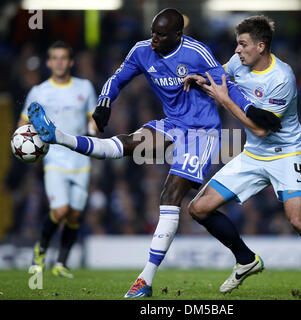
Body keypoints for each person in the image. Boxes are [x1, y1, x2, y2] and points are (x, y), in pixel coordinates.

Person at [27, 8, 280, 298]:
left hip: (202, 132)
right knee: (121, 146)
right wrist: (104, 104)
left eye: (161, 35)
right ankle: (58, 137)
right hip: (171, 124)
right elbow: (117, 78)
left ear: (177, 35)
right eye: (152, 33)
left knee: (169, 196)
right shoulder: (142, 52)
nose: (154, 39)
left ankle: (144, 281)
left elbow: (227, 86)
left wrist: (251, 110)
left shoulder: (197, 52)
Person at [185, 15, 301, 300]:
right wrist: (197, 79)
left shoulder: (282, 78)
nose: (237, 50)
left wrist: (224, 99)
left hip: (286, 153)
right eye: (236, 44)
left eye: (242, 45)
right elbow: (217, 75)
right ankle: (246, 259)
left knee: (298, 218)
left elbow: (259, 126)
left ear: (260, 46)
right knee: (198, 208)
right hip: (253, 155)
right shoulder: (237, 64)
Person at [19, 41, 98, 278]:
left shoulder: (84, 88)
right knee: (61, 209)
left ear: (71, 62)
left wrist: (94, 130)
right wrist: (24, 145)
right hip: (54, 158)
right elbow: (23, 124)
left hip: (81, 159)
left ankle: (61, 263)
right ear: (49, 62)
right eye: (55, 58)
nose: (60, 61)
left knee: (74, 214)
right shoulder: (39, 91)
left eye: (64, 57)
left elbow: (92, 118)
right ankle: (40, 251)